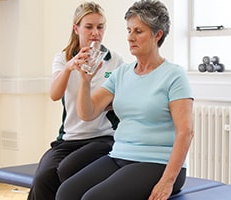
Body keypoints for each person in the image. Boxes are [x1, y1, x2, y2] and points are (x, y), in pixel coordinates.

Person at [55, 0, 194, 200]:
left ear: (157, 35)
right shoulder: (122, 73)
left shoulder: (174, 75)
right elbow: (87, 113)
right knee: (66, 193)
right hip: (119, 155)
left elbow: (186, 132)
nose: (130, 38)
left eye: (138, 31)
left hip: (158, 162)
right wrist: (86, 81)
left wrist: (167, 181)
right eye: (129, 30)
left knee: (93, 199)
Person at [27, 2, 124, 200]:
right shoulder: (63, 58)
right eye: (89, 27)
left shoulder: (114, 60)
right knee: (42, 178)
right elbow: (54, 94)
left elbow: (121, 100)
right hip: (69, 139)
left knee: (66, 170)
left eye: (100, 27)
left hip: (104, 137)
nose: (95, 33)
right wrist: (70, 67)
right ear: (76, 28)